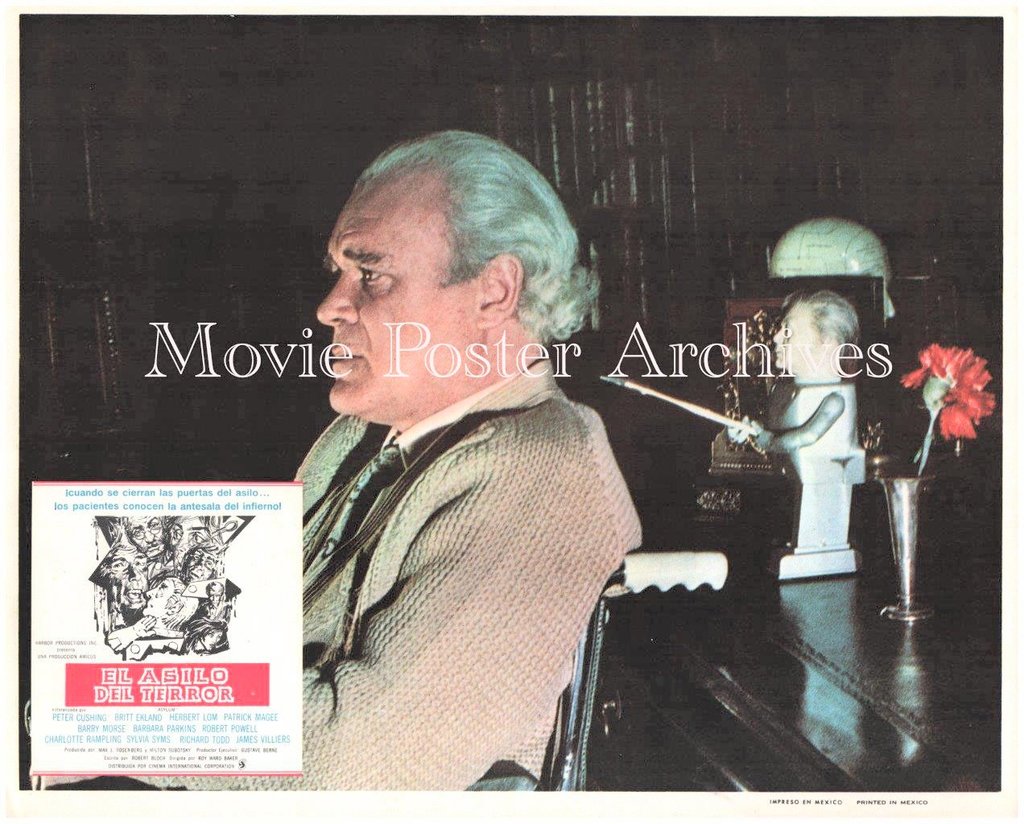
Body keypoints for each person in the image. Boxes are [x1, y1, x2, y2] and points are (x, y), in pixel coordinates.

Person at [133, 130, 641, 791]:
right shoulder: (363, 435)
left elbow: (353, 767)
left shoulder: (544, 471)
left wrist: (105, 715)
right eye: (338, 273)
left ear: (494, 291)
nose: (329, 307)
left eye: (370, 275)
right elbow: (206, 627)